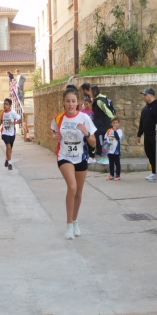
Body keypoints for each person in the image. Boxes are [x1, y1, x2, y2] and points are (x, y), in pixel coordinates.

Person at [51, 87, 97, 239]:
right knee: (72, 186)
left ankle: (75, 221)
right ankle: (69, 225)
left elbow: (94, 143)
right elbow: (55, 134)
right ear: (63, 103)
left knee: (78, 192)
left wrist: (86, 133)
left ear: (78, 103)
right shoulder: (58, 118)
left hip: (81, 157)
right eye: (67, 101)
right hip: (64, 156)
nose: (70, 104)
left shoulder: (85, 119)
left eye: (73, 101)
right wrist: (55, 137)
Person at [137, 88, 157, 181]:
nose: (144, 97)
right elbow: (142, 122)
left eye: (145, 95)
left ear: (151, 95)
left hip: (156, 134)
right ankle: (154, 172)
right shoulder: (145, 109)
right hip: (148, 134)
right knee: (149, 153)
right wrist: (139, 134)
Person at [0, 98, 21, 170]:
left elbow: (20, 120)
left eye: (7, 104)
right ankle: (10, 163)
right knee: (8, 146)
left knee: (10, 149)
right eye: (4, 104)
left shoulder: (13, 113)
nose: (5, 105)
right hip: (4, 133)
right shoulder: (2, 113)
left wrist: (13, 123)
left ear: (10, 106)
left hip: (12, 133)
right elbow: (1, 120)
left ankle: (7, 158)